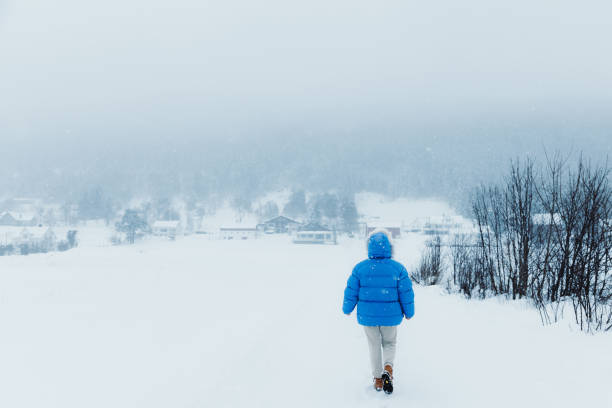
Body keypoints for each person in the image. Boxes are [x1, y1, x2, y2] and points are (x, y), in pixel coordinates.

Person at [342, 229, 415, 394]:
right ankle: (388, 368)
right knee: (389, 343)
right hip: (391, 315)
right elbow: (406, 293)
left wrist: (347, 309)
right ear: (389, 247)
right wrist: (409, 312)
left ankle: (378, 380)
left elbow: (351, 290)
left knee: (373, 345)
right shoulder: (398, 269)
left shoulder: (360, 268)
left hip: (368, 316)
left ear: (369, 247)